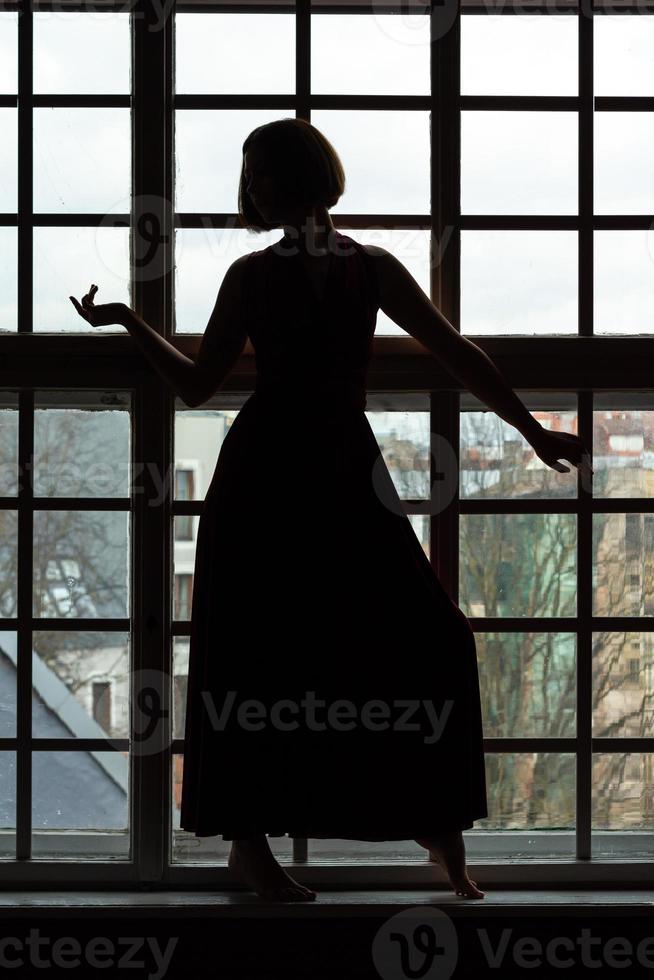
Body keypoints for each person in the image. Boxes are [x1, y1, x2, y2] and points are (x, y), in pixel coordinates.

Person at [70, 118, 592, 904]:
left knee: (427, 634)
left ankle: (432, 820)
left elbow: (455, 352)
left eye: (254, 177)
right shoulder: (290, 274)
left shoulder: (355, 270)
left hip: (325, 470)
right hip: (278, 478)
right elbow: (200, 385)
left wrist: (532, 430)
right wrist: (129, 323)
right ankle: (256, 850)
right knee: (259, 656)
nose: (247, 193)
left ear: (281, 183)